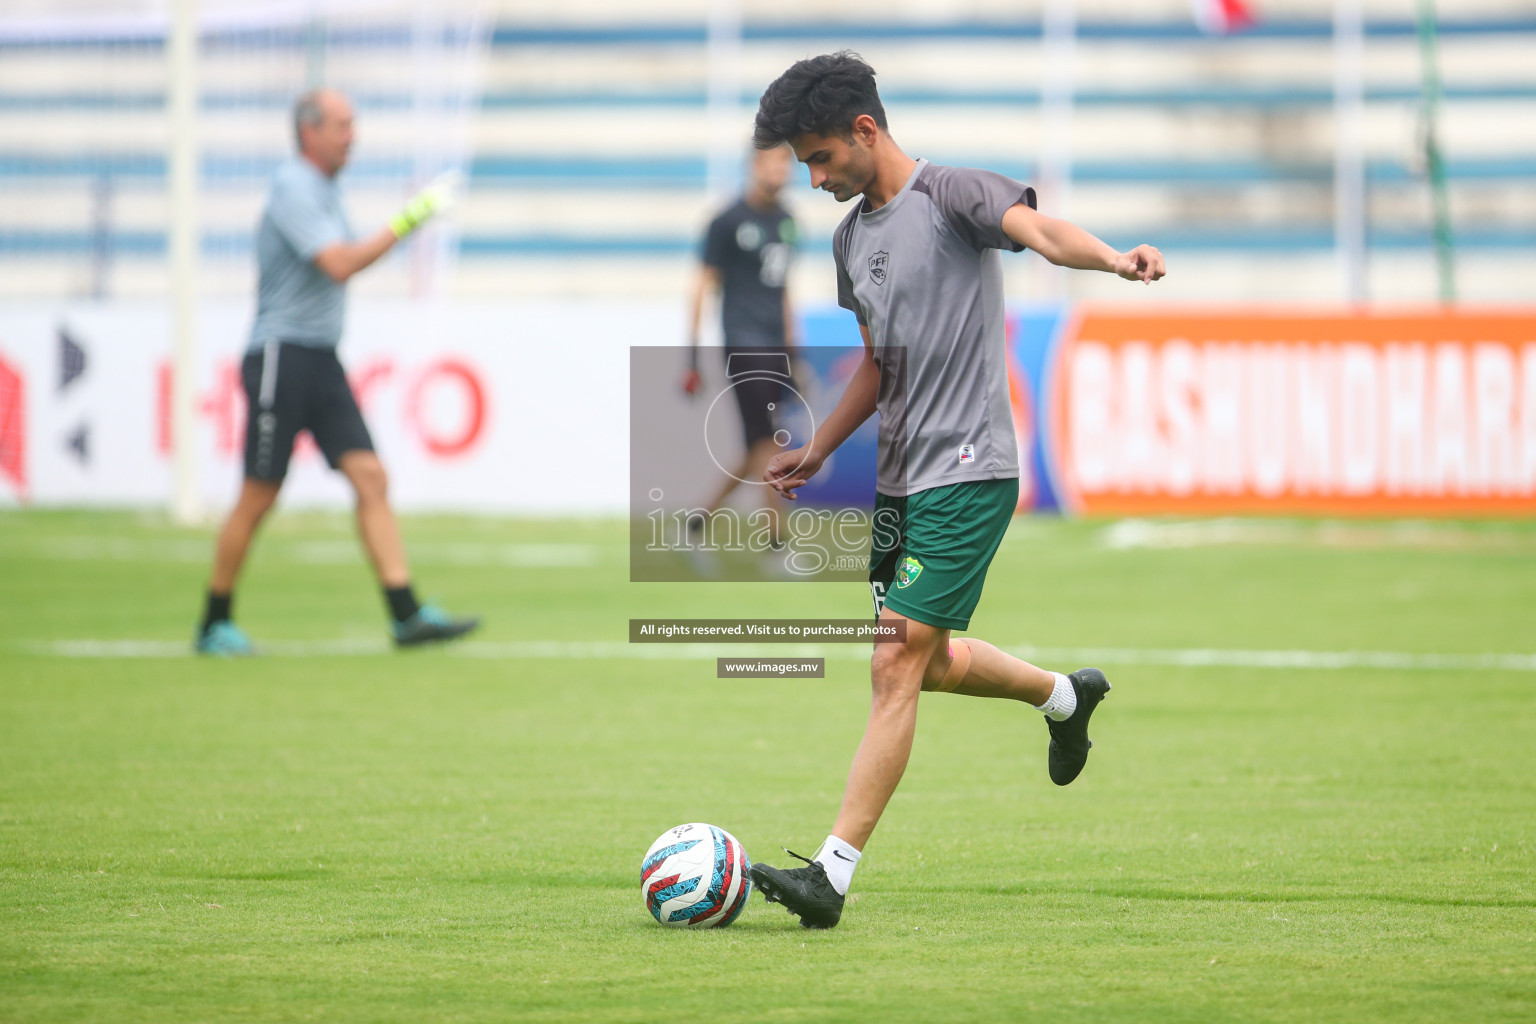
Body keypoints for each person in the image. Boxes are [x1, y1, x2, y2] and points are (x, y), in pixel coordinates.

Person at [746, 52, 1166, 928]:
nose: (814, 179)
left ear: (866, 129)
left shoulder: (956, 195)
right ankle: (1063, 694)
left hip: (970, 470)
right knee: (926, 663)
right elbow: (879, 364)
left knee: (893, 664)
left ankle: (830, 874)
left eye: (820, 158)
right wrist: (820, 447)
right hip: (901, 480)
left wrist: (1115, 262)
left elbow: (1044, 236)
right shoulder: (848, 240)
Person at [194, 88, 479, 655]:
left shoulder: (323, 191)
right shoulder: (294, 187)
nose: (353, 135)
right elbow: (339, 263)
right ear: (309, 132)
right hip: (282, 355)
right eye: (343, 125)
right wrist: (412, 217)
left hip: (320, 358)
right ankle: (213, 621)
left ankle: (406, 614)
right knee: (258, 493)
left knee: (370, 476)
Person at [681, 145, 798, 557]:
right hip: (743, 343)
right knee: (770, 443)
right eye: (773, 161)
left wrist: (794, 352)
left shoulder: (787, 221)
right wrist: (692, 358)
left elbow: (784, 291)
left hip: (774, 345)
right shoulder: (727, 220)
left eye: (786, 162)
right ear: (754, 166)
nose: (780, 170)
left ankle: (697, 523)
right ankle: (776, 541)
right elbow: (701, 286)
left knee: (758, 448)